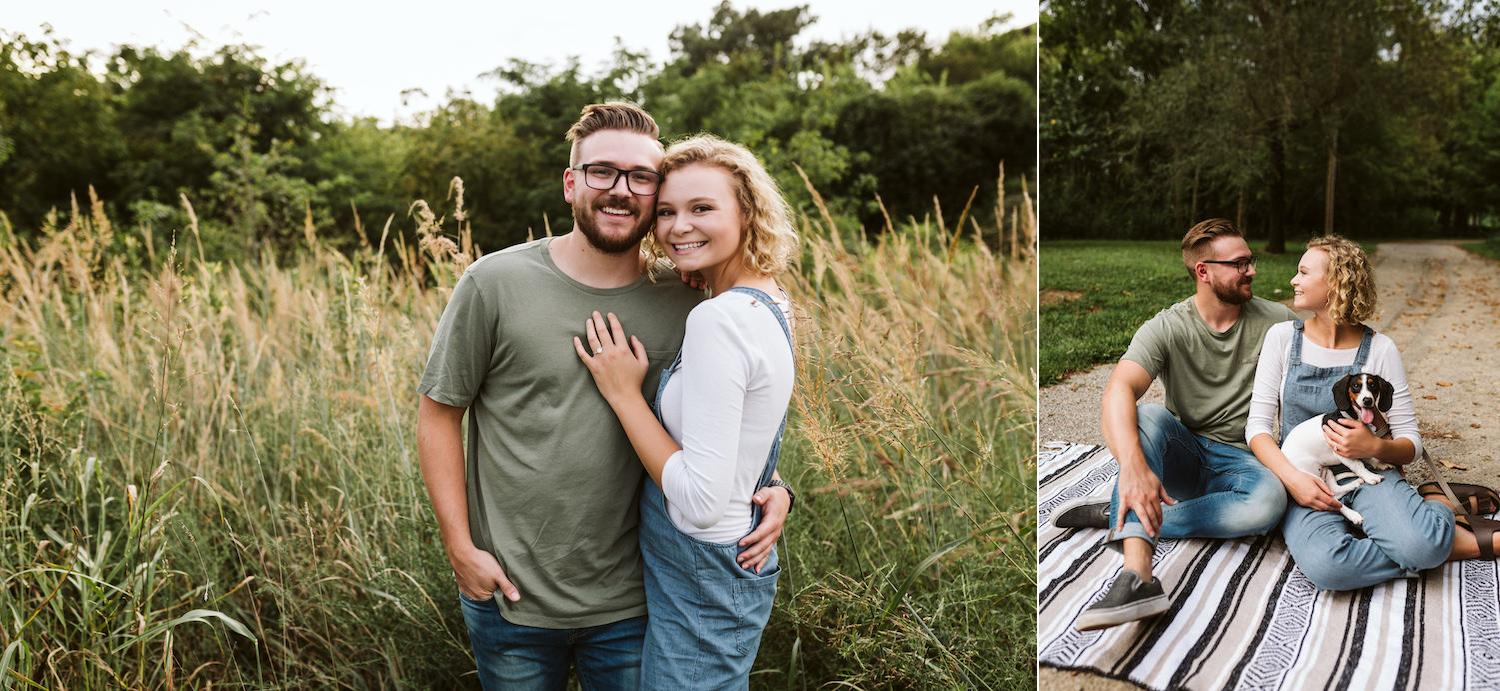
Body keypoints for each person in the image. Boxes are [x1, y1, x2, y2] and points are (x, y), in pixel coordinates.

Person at [416, 104, 791, 689]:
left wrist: (771, 486)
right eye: (601, 172)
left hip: (637, 601)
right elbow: (439, 414)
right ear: (571, 183)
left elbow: (729, 415)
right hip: (512, 598)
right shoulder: (493, 284)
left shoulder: (691, 301)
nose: (621, 190)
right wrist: (459, 547)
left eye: (642, 177)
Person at [574, 134, 798, 688]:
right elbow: (744, 432)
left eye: (702, 209)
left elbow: (698, 502)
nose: (679, 227)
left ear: (747, 212)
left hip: (704, 564)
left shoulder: (718, 320)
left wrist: (625, 396)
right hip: (724, 562)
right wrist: (776, 485)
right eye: (668, 211)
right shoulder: (765, 300)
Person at [1050, 218, 1296, 631]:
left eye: (1250, 261)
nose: (1252, 270)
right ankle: (1137, 576)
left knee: (1269, 503)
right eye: (1239, 263)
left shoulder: (1279, 322)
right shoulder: (1167, 326)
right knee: (1146, 414)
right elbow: (1117, 390)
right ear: (1204, 271)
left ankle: (1121, 515)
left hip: (1245, 462)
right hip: (1185, 457)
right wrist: (1131, 468)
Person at [1246, 235, 1491, 590]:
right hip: (1308, 478)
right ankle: (1441, 535)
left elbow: (1411, 444)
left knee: (1421, 544)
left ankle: (1430, 521)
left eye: (1302, 272)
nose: (1293, 281)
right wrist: (1292, 479)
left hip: (1373, 472)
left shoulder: (1380, 349)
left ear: (1335, 283)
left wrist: (1375, 448)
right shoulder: (1282, 339)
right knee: (1330, 567)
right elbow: (1257, 429)